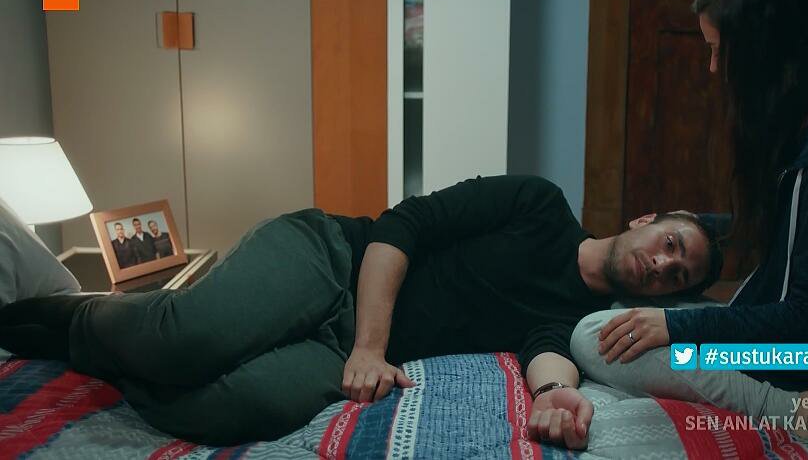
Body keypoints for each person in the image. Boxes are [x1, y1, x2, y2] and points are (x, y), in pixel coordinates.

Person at [0, 175, 721, 448]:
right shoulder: (539, 204)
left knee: (228, 409)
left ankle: (108, 352)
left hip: (340, 348)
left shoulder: (577, 318)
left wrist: (554, 394)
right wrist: (372, 348)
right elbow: (402, 224)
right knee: (188, 339)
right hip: (330, 259)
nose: (664, 265)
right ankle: (69, 316)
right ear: (647, 219)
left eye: (678, 276)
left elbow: (547, 354)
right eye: (671, 244)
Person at [572, 0, 808, 453]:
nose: (713, 68)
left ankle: (794, 410)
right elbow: (796, 233)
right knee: (625, 317)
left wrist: (676, 325)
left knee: (595, 335)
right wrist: (691, 226)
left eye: (718, 51)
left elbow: (806, 320)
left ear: (758, 55)